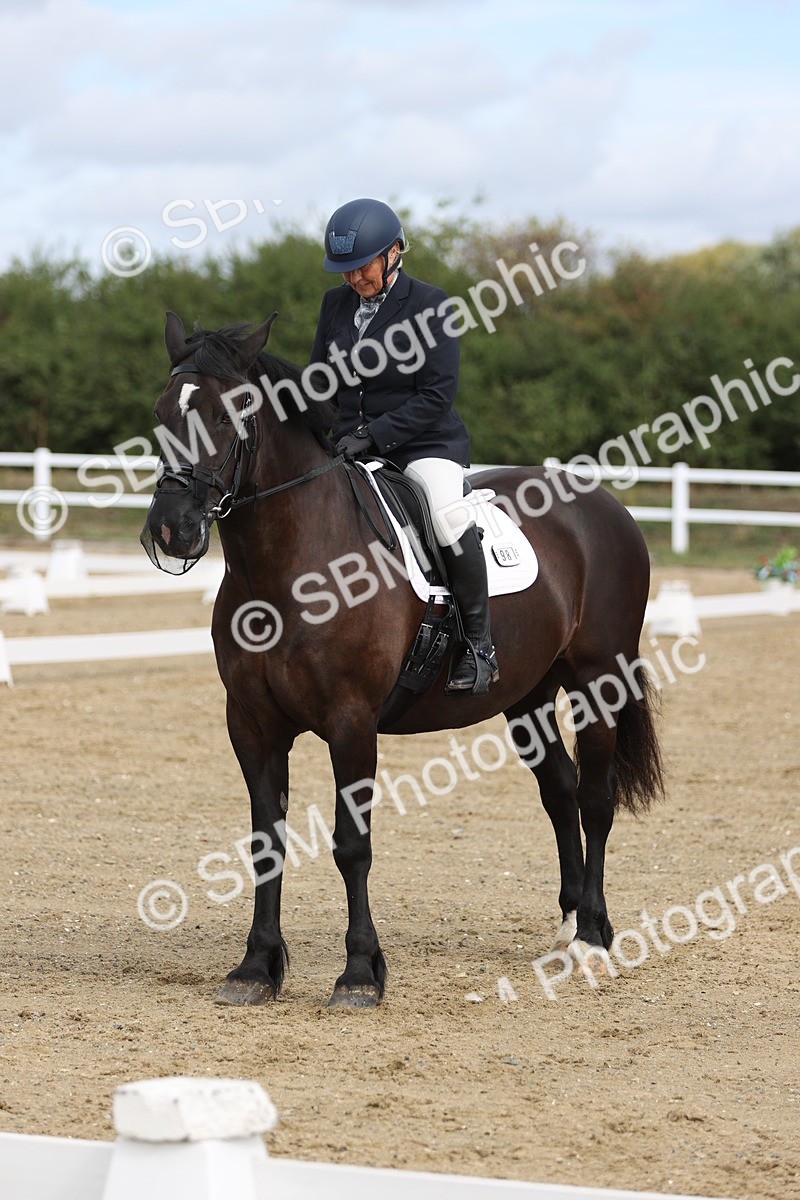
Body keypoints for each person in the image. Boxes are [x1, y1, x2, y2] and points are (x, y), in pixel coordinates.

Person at [309, 197, 499, 695]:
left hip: (422, 443)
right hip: (349, 445)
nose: (354, 278)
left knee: (446, 515)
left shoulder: (431, 305)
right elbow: (320, 381)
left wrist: (373, 435)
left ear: (393, 252)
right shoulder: (334, 305)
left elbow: (437, 396)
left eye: (362, 267)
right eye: (345, 270)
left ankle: (479, 645)